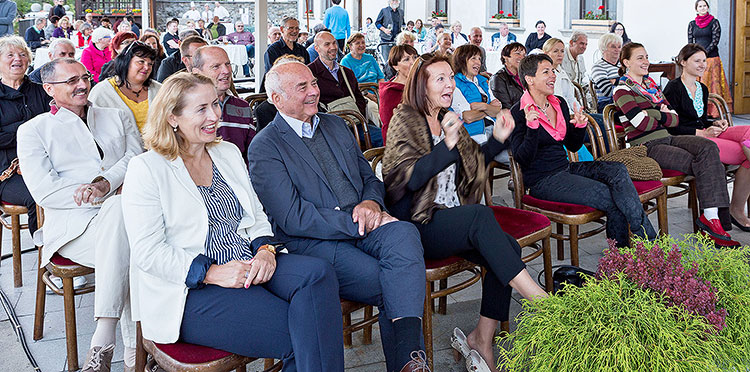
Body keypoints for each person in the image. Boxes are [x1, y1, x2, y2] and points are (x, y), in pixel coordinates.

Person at [121, 72, 344, 371]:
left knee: (318, 274)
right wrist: (211, 273)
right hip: (190, 289)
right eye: (201, 109)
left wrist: (266, 250)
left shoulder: (226, 153)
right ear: (173, 117)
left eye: (215, 104)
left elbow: (256, 215)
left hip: (247, 262)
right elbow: (148, 252)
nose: (214, 115)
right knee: (305, 331)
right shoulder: (146, 168)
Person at [248, 61, 429, 372]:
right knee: (393, 281)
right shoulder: (265, 146)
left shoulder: (335, 125)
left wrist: (372, 204)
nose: (314, 91)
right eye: (301, 87)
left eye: (313, 84)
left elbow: (370, 177)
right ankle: (411, 362)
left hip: (362, 222)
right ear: (276, 99)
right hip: (314, 241)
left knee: (405, 234)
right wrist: (355, 223)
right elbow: (293, 217)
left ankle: (411, 361)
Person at [383, 53, 548, 372]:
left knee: (508, 248)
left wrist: (499, 139)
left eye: (450, 77)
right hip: (419, 224)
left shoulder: (448, 115)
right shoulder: (406, 117)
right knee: (482, 217)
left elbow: (474, 164)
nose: (449, 84)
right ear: (422, 85)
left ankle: (481, 338)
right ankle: (543, 303)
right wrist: (447, 144)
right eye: (440, 78)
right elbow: (406, 179)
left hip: (452, 217)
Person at [17, 58, 140, 372]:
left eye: (84, 77)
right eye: (70, 81)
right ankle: (136, 355)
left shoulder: (115, 115)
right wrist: (104, 194)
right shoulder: (34, 131)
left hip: (122, 218)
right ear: (49, 89)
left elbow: (137, 157)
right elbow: (45, 190)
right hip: (74, 231)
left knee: (121, 229)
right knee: (133, 246)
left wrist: (104, 184)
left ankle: (103, 340)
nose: (82, 84)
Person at [511, 53, 657, 249]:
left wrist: (579, 127)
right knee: (612, 198)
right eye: (546, 72)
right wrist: (532, 128)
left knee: (617, 169)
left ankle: (647, 243)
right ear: (529, 79)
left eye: (553, 70)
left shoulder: (558, 103)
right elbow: (522, 158)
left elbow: (571, 145)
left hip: (566, 168)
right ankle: (628, 255)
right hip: (542, 180)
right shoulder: (518, 112)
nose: (553, 75)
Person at [613, 42, 740, 247]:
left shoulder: (652, 87)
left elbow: (675, 120)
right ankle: (714, 224)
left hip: (668, 137)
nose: (646, 61)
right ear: (626, 62)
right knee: (701, 162)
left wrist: (655, 114)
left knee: (709, 147)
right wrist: (661, 113)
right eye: (640, 58)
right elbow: (641, 124)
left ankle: (711, 217)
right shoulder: (621, 90)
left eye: (646, 57)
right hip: (646, 146)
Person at [663, 43, 750, 230]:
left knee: (749, 134)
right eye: (697, 60)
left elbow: (700, 119)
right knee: (746, 154)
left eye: (704, 60)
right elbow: (671, 126)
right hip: (691, 139)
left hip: (707, 132)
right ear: (683, 62)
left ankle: (736, 209)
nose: (702, 64)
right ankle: (736, 210)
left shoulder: (701, 88)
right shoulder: (673, 88)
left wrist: (715, 122)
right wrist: (702, 132)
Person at [0, 37, 50, 235]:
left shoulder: (42, 91)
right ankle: (45, 252)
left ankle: (69, 245)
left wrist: (11, 130)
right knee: (38, 196)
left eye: (22, 55)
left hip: (45, 163)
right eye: (10, 55)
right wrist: (28, 130)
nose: (17, 59)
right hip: (7, 172)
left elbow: (54, 126)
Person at [309, 32, 384, 147]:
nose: (333, 47)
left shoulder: (346, 72)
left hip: (356, 123)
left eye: (334, 43)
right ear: (317, 48)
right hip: (329, 129)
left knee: (388, 138)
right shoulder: (310, 73)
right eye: (327, 44)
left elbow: (359, 99)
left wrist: (356, 118)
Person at [191, 46, 255, 164]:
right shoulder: (187, 108)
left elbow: (252, 154)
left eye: (228, 64)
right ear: (197, 73)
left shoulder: (243, 107)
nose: (226, 71)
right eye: (216, 66)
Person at [89, 41, 160, 145]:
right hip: (119, 157)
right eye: (141, 62)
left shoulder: (159, 90)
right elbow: (94, 131)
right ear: (126, 62)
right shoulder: (102, 92)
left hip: (157, 153)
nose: (146, 67)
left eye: (150, 64)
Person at [687, 0, 733, 114]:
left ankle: (713, 112)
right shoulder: (692, 24)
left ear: (708, 7)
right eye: (700, 6)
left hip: (711, 58)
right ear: (696, 9)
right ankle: (697, 110)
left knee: (712, 85)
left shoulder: (714, 22)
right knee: (696, 85)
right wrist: (694, 54)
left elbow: (715, 40)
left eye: (704, 6)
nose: (702, 8)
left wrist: (703, 54)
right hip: (696, 59)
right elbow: (690, 41)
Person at [451, 44, 502, 144]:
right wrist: (489, 108)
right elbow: (468, 117)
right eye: (473, 58)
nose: (478, 62)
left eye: (479, 59)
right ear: (461, 60)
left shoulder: (482, 81)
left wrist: (483, 106)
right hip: (473, 137)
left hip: (494, 130)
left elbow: (498, 111)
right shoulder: (455, 83)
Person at [379, 45, 418, 142]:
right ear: (396, 66)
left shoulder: (420, 84)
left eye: (415, 57)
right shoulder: (390, 92)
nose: (413, 62)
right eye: (406, 60)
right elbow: (388, 127)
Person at [590, 32, 623, 112]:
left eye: (619, 47)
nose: (617, 50)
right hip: (608, 106)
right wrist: (625, 82)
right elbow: (608, 91)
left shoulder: (624, 64)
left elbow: (636, 84)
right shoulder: (598, 67)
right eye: (613, 47)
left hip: (625, 100)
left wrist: (616, 81)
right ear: (603, 48)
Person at [542, 38, 577, 110]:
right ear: (546, 54)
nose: (560, 55)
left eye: (562, 51)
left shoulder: (561, 71)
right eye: (555, 51)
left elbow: (571, 98)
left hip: (570, 112)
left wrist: (580, 112)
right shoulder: (545, 74)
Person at [489, 42, 526, 109]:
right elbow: (505, 107)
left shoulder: (524, 76)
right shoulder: (498, 78)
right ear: (505, 57)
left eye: (524, 55)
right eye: (518, 53)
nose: (522, 57)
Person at [375, 0, 405, 64]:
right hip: (386, 39)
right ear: (389, 1)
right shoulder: (384, 11)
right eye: (393, 0)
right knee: (386, 60)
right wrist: (384, 30)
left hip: (397, 39)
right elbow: (377, 23)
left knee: (396, 59)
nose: (395, 2)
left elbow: (403, 23)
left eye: (396, 1)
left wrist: (404, 28)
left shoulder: (401, 12)